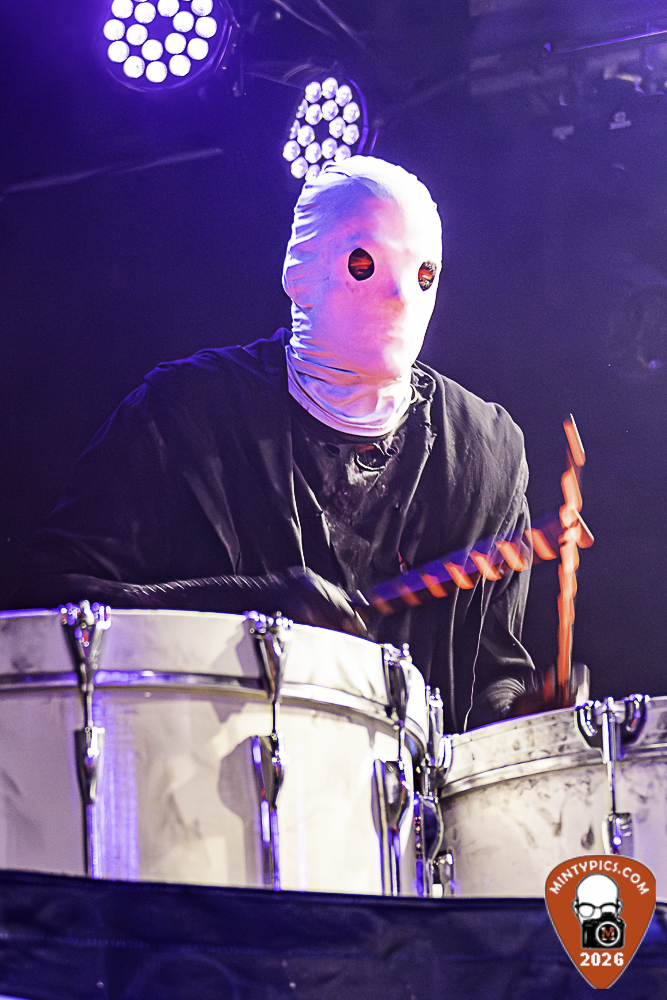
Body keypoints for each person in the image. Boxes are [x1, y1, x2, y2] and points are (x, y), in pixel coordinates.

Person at [11, 156, 534, 732]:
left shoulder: (485, 456)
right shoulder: (189, 416)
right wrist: (243, 606)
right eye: (363, 264)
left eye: (425, 275)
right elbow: (45, 602)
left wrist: (531, 718)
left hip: (402, 789)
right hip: (201, 769)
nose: (399, 294)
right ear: (300, 273)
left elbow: (495, 673)